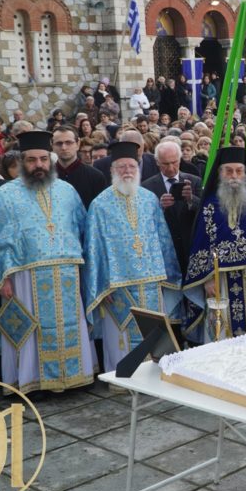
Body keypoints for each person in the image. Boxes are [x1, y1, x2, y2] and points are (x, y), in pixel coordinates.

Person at [0, 131, 97, 394]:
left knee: (69, 326)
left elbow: (83, 231)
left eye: (43, 159)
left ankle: (72, 379)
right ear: (21, 162)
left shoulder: (67, 191)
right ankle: (33, 384)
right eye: (32, 160)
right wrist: (1, 279)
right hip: (24, 278)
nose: (38, 165)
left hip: (67, 274)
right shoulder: (4, 196)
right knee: (31, 334)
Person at [84, 142, 184, 371]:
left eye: (131, 166)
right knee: (121, 334)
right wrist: (101, 285)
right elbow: (94, 247)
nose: (127, 171)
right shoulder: (99, 205)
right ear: (112, 171)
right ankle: (124, 375)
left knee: (154, 330)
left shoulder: (149, 199)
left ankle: (155, 373)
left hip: (151, 282)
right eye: (121, 167)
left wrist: (168, 274)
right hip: (117, 286)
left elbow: (163, 238)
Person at [182, 147, 246, 343]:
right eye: (228, 170)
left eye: (239, 170)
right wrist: (205, 279)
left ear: (245, 173)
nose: (234, 176)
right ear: (220, 173)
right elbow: (200, 245)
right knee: (223, 334)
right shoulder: (209, 205)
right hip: (220, 282)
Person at [142, 141, 202, 276]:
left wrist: (191, 199)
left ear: (180, 160)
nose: (170, 168)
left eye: (174, 162)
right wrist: (160, 207)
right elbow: (144, 219)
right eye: (165, 164)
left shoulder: (195, 181)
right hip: (164, 251)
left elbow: (204, 211)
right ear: (157, 162)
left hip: (190, 247)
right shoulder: (147, 186)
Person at [52, 126, 106, 209]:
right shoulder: (46, 176)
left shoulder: (96, 176)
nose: (64, 147)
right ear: (52, 146)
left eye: (69, 142)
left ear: (78, 144)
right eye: (59, 143)